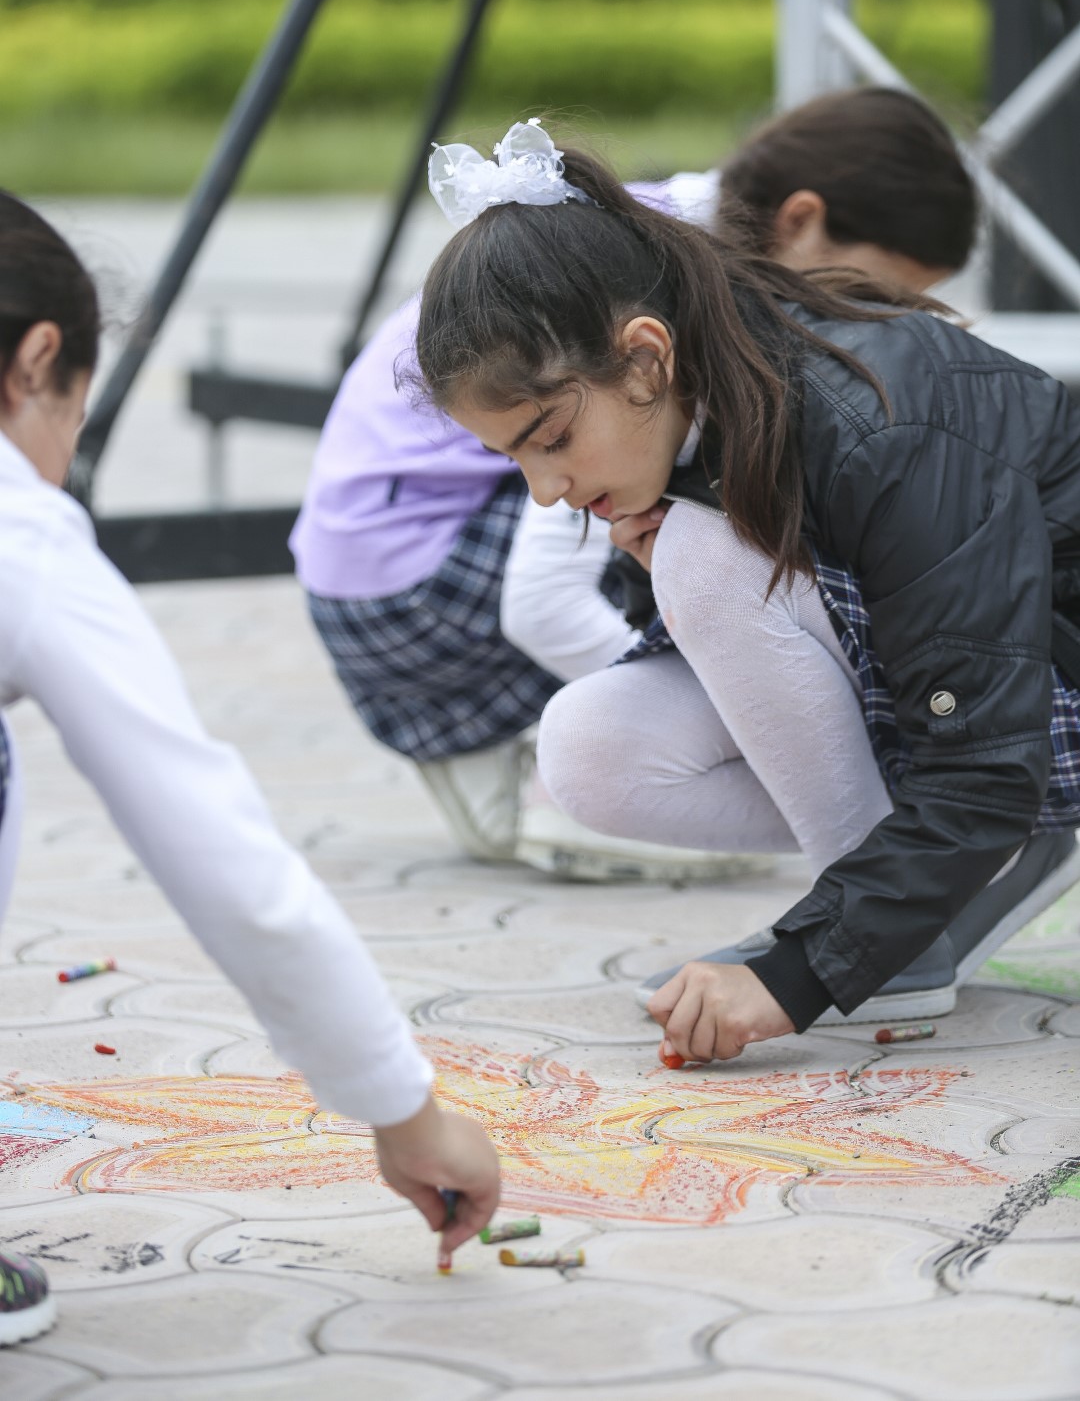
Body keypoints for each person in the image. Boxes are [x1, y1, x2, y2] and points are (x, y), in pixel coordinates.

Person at [412, 117, 1080, 1067]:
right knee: (587, 750)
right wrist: (647, 571)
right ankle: (888, 909)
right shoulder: (704, 398)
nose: (546, 488)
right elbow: (761, 655)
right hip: (972, 714)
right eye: (514, 459)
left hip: (1041, 714)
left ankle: (895, 945)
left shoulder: (879, 420)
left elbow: (984, 760)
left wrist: (798, 974)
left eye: (550, 438)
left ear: (646, 356)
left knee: (702, 556)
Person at [0, 193, 498, 1346]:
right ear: (35, 364)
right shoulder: (22, 540)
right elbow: (215, 845)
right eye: (74, 412)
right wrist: (403, 1107)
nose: (65, 457)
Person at [291, 90, 976, 879]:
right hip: (413, 588)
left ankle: (514, 776)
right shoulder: (645, 292)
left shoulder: (639, 234)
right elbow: (543, 599)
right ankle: (561, 783)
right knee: (694, 524)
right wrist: (762, 716)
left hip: (367, 581)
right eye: (871, 297)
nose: (863, 328)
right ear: (801, 221)